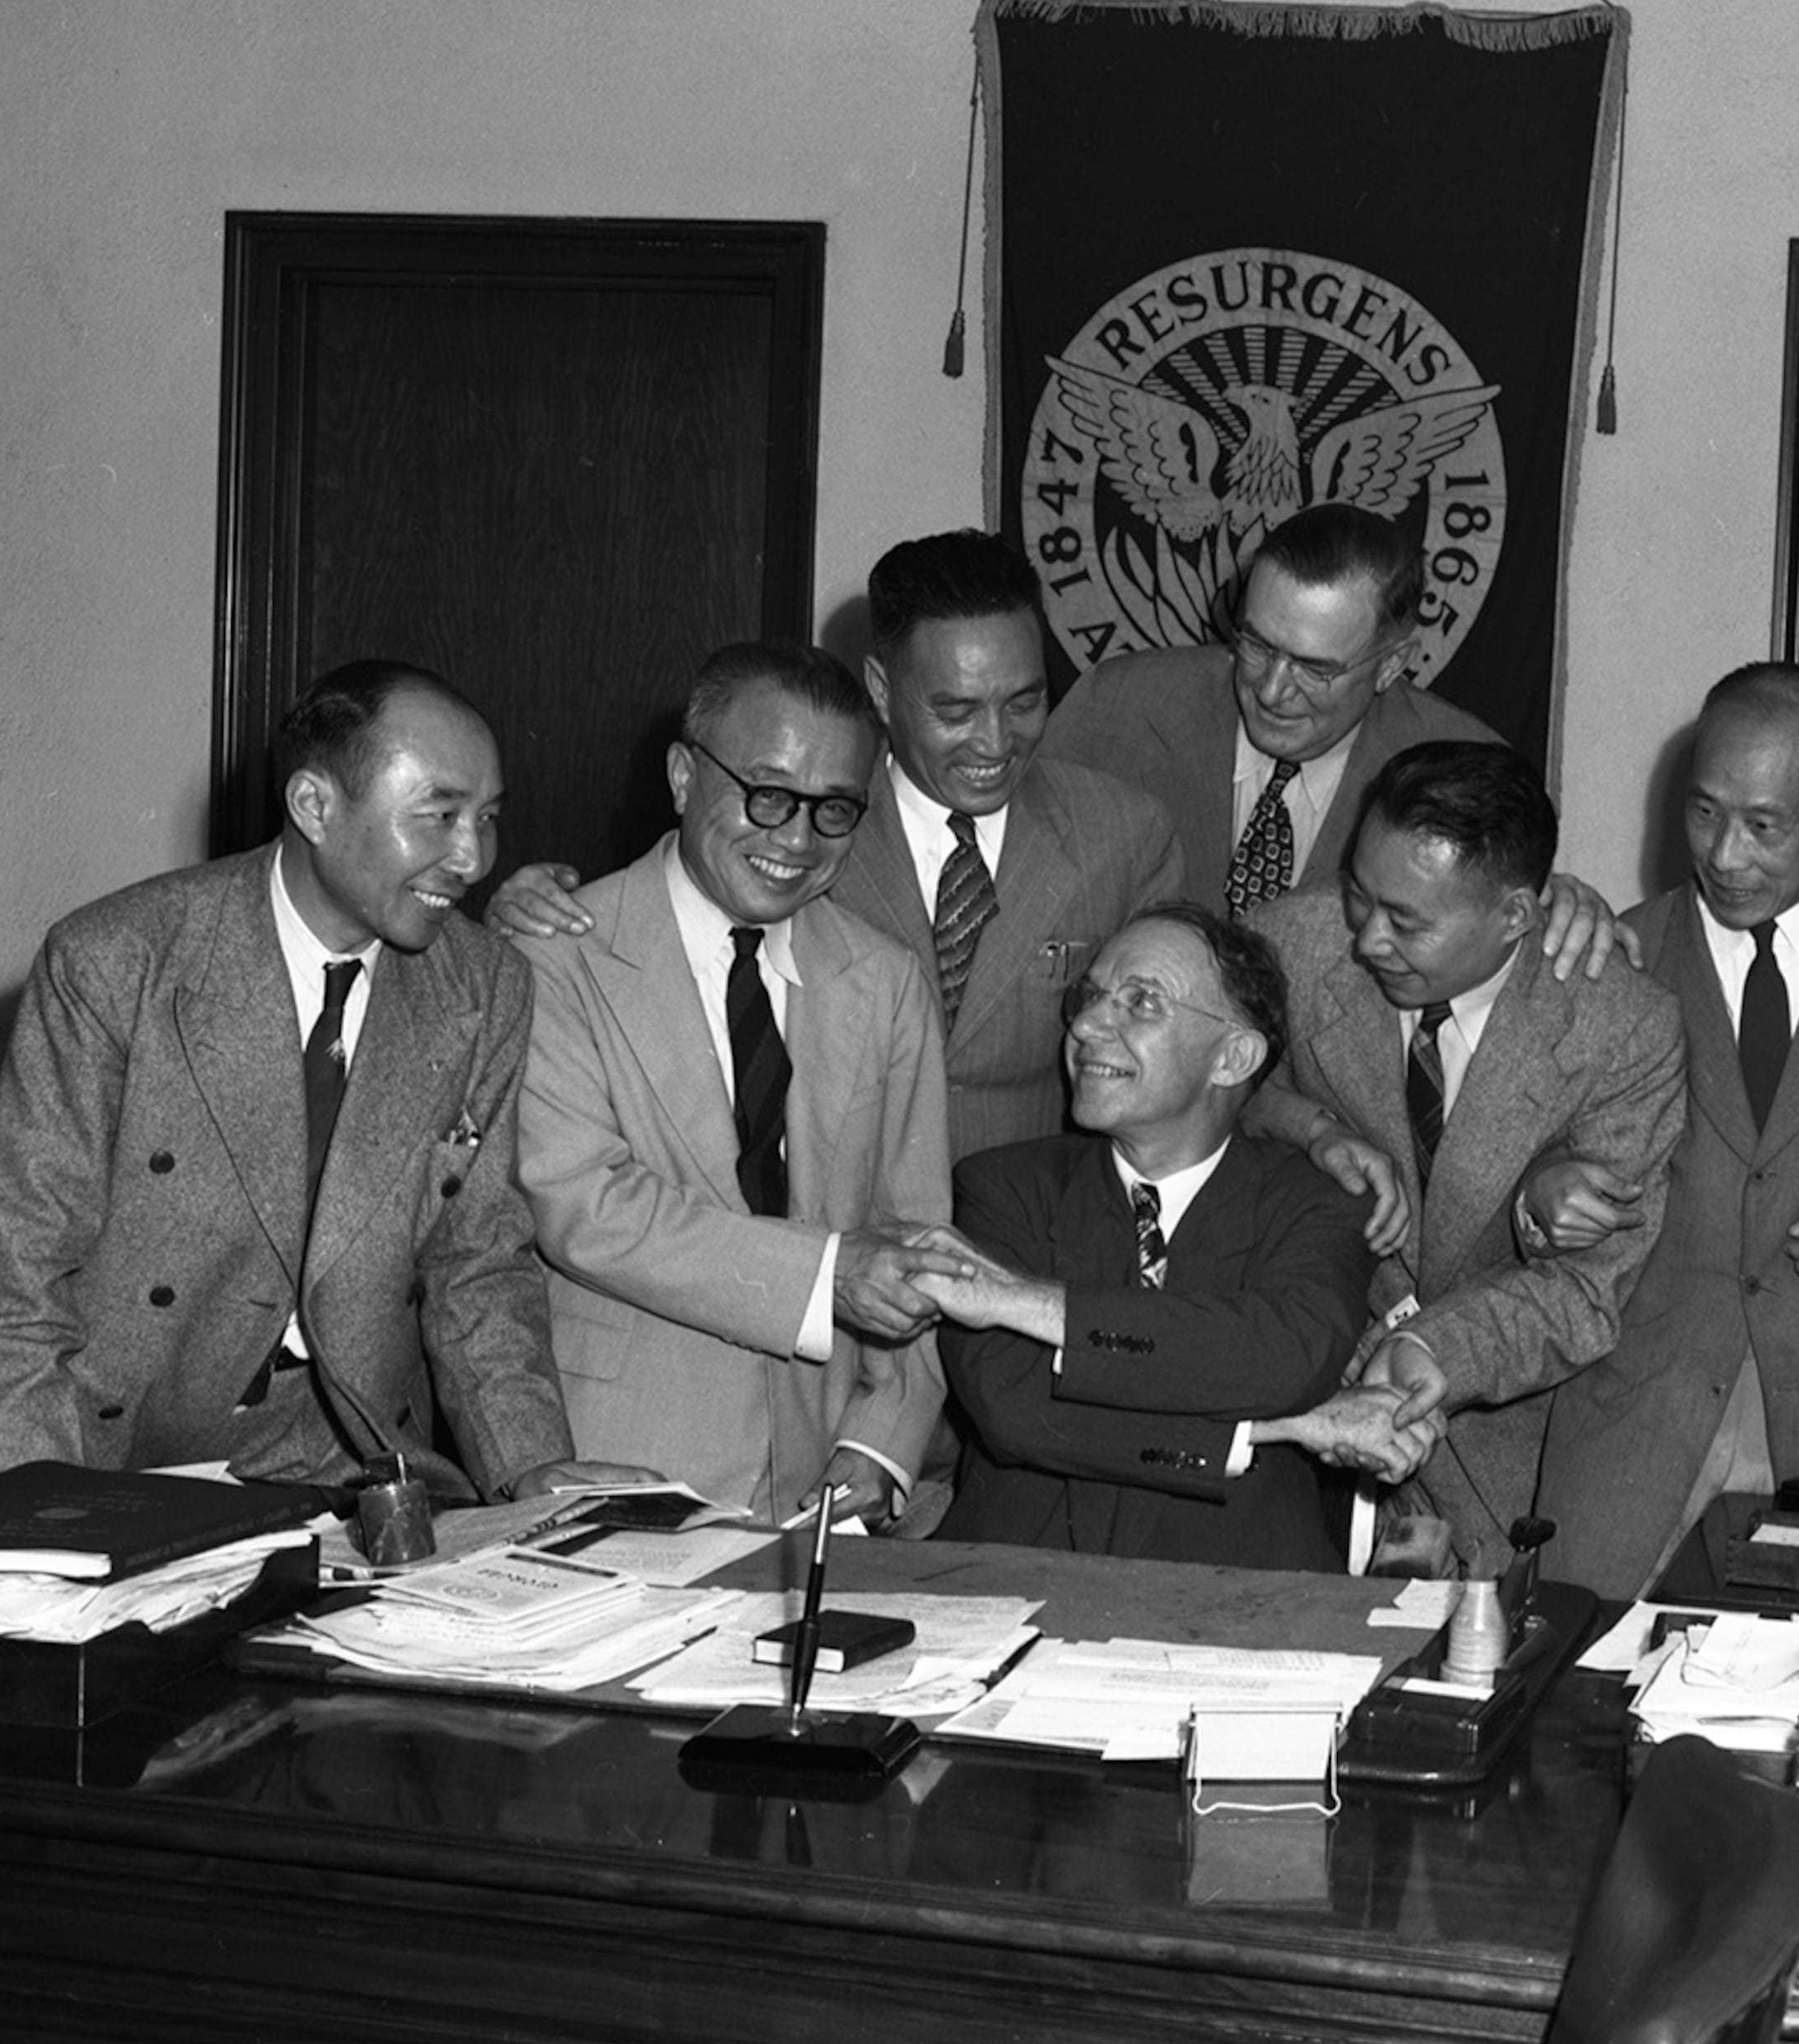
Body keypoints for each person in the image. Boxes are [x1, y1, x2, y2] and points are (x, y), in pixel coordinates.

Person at [0, 660, 646, 1501]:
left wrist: (530, 1468)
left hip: (358, 1472)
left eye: (488, 819)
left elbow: (477, 1264)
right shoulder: (116, 963)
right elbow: (4, 1284)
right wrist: (44, 1525)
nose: (474, 857)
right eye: (440, 816)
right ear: (314, 806)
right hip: (111, 1460)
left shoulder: (484, 987)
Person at [490, 534, 1182, 1173]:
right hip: (831, 1253)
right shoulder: (801, 831)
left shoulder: (1123, 834)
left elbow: (1181, 1054)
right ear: (881, 689)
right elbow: (667, 915)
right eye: (956, 711)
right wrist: (511, 923)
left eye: (1025, 702)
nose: (995, 742)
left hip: (1040, 1243)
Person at [512, 642, 959, 1522]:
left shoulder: (886, 977)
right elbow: (584, 1209)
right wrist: (826, 1275)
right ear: (683, 777)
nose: (796, 838)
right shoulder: (556, 955)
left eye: (835, 810)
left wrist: (884, 1437)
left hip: (825, 1486)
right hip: (618, 1463)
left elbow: (916, 1232)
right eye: (766, 795)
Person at [1531, 665, 1799, 1601]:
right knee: (1576, 1692)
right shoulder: (1610, 954)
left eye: (1766, 826)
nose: (1725, 856)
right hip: (1637, 1422)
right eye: (1704, 812)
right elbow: (1512, 1161)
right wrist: (1540, 1196)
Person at [1245, 743, 1686, 1576]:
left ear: (1518, 917)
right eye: (1358, 896)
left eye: (1407, 921)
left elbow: (1583, 1290)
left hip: (1503, 1453)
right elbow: (1206, 1102)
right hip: (1295, 1427)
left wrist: (1432, 1355)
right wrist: (1311, 1129)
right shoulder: (1289, 948)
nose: (1369, 938)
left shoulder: (1622, 1027)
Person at [917, 904, 1400, 1570]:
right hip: (1016, 1579)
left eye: (1141, 1002)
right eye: (1090, 998)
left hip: (1242, 1595)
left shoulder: (1315, 1202)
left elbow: (1280, 1356)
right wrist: (1277, 1428)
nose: (1085, 1025)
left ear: (1233, 1057)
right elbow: (1018, 1412)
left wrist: (1029, 1305)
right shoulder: (1004, 1189)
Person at [1037, 500, 1629, 999]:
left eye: (1315, 669)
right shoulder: (1114, 710)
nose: (1271, 690)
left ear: (1392, 664)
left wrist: (1561, 897)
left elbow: (1494, 924)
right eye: (1257, 644)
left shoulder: (1468, 759)